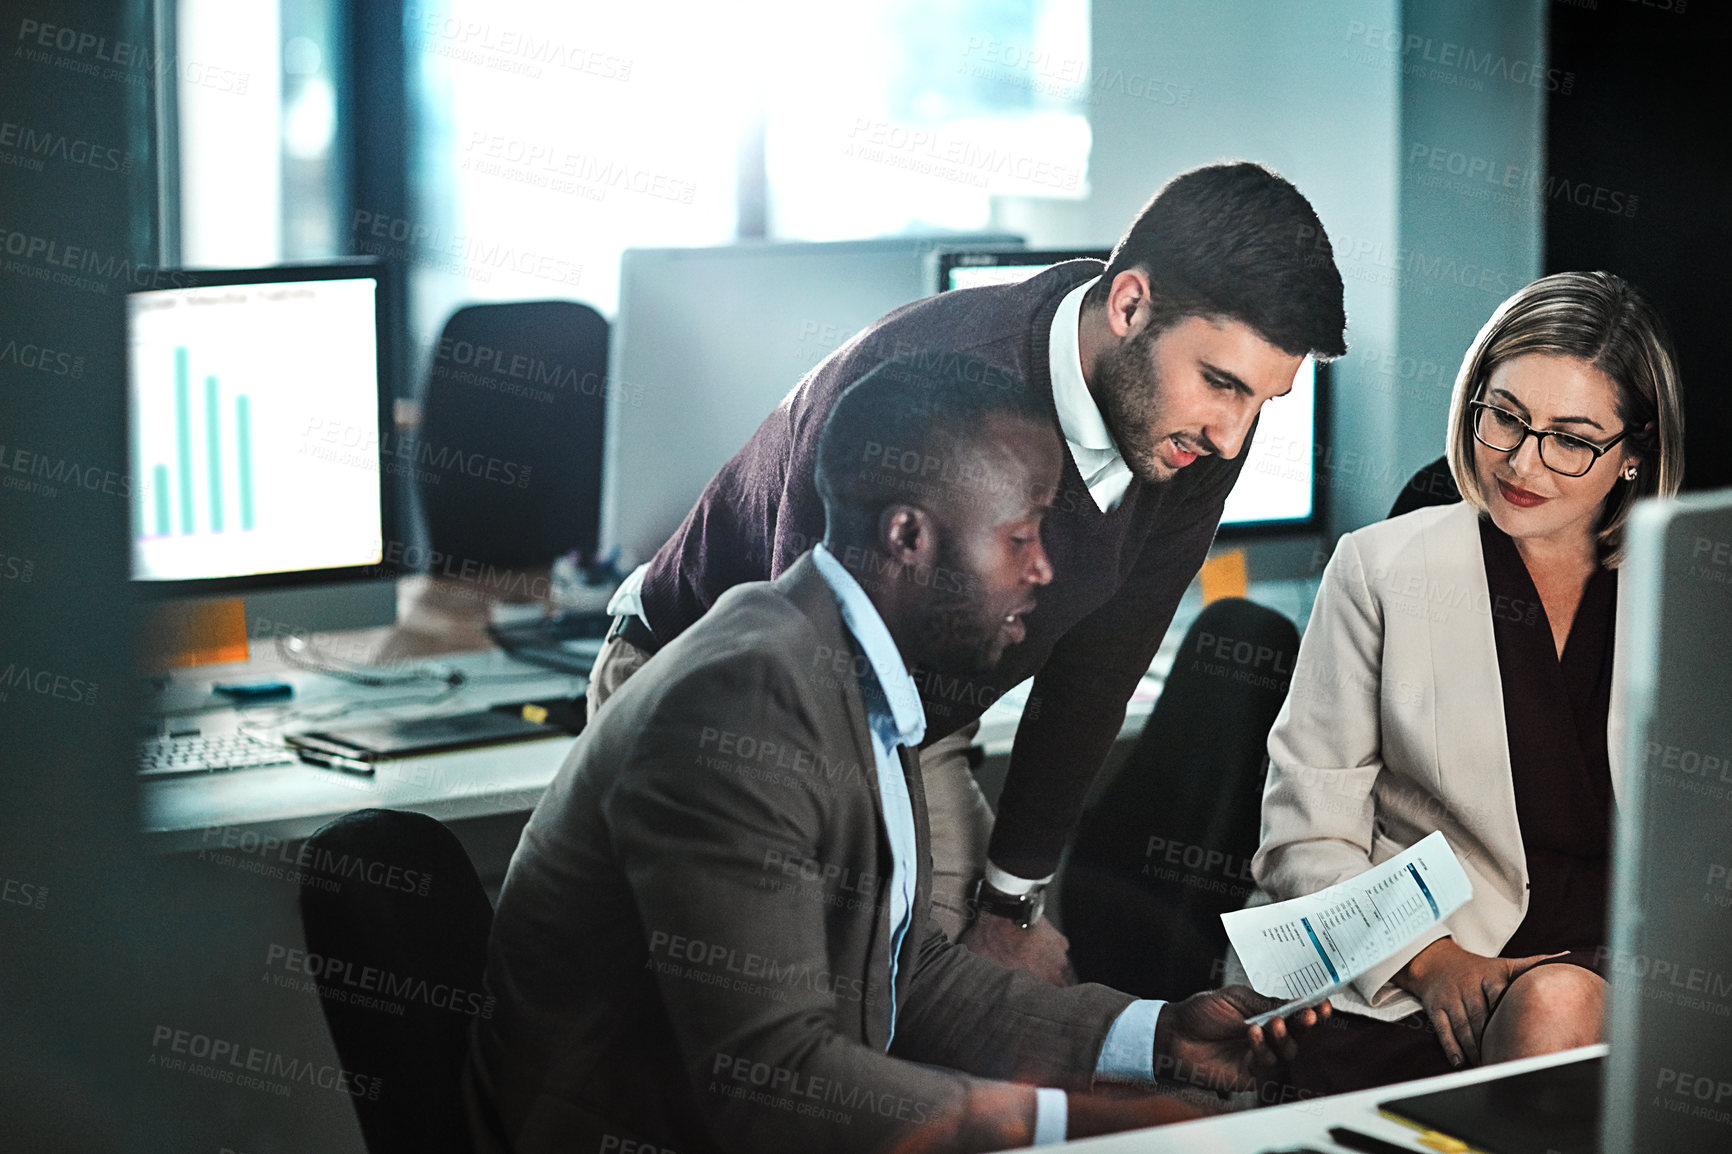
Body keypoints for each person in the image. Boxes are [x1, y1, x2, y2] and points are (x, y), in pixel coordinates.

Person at [470, 360, 1326, 1154]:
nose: (1042, 571)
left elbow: (902, 975)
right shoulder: (746, 704)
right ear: (909, 536)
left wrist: (1154, 1039)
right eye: (1021, 535)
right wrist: (1076, 1122)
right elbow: (771, 1080)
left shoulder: (847, 671)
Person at [591, 161, 1349, 982]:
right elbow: (800, 680)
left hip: (916, 718)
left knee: (999, 982)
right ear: (1130, 305)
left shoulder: (1183, 431)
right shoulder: (926, 381)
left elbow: (1102, 666)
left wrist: (1011, 903)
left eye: (1261, 403)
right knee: (796, 990)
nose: (1232, 437)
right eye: (1221, 384)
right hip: (726, 689)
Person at [1248, 271, 1685, 1095]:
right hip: (1428, 983)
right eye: (1506, 418)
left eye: (1572, 438)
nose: (1523, 461)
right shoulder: (1382, 569)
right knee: (1555, 1008)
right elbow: (1302, 839)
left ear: (1633, 455)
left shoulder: (1687, 588)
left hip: (1642, 981)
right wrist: (1430, 960)